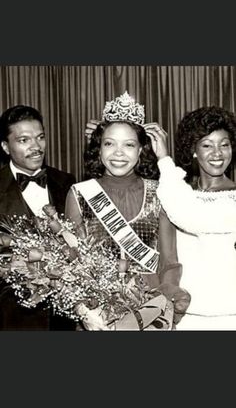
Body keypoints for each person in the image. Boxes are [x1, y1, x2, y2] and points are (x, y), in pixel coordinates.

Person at [65, 92, 191, 330]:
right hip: (97, 311)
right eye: (109, 143)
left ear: (142, 150)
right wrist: (85, 310)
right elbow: (74, 262)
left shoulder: (160, 192)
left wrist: (161, 307)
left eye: (129, 144)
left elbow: (169, 263)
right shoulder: (79, 193)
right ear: (99, 149)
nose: (119, 153)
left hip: (151, 308)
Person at [146, 106, 236, 330]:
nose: (217, 153)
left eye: (224, 145)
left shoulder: (186, 201)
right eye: (207, 145)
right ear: (193, 150)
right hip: (186, 317)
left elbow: (191, 215)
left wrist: (164, 159)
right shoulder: (180, 195)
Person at [0, 104, 76, 331]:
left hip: (65, 317)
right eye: (24, 140)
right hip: (12, 317)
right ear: (5, 146)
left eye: (40, 137)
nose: (36, 147)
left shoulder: (67, 181)